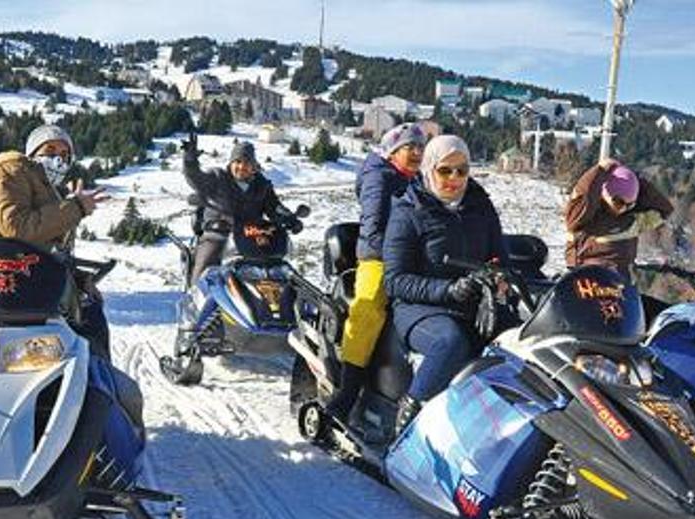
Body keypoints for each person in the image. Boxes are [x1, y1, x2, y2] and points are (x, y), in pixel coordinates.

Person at [382, 135, 507, 434]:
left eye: (462, 170)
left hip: (474, 304)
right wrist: (448, 290)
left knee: (518, 341)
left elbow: (499, 257)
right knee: (451, 341)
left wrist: (498, 278)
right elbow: (395, 280)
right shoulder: (408, 211)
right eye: (445, 170)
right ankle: (409, 414)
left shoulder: (481, 206)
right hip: (419, 309)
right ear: (428, 168)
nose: (454, 178)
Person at [0, 123, 112, 355]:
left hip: (23, 281)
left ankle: (94, 386)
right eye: (50, 150)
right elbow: (17, 230)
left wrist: (78, 279)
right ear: (32, 153)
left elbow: (48, 251)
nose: (58, 159)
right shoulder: (10, 168)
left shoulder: (51, 193)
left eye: (64, 155)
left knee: (90, 316)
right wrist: (76, 207)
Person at [324, 122, 427, 421]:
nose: (417, 153)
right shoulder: (378, 178)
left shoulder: (417, 179)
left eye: (421, 147)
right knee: (368, 310)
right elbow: (374, 223)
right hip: (378, 256)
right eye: (411, 147)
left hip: (411, 257)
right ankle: (348, 392)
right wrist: (396, 257)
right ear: (394, 151)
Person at [180, 132, 301, 285]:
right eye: (237, 162)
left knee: (278, 270)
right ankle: (196, 297)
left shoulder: (261, 185)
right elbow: (195, 179)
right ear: (231, 163)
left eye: (247, 162)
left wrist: (289, 218)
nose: (241, 167)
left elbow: (274, 207)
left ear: (253, 166)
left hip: (250, 238)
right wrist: (190, 160)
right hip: (219, 235)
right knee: (204, 272)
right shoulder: (217, 178)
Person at [564, 158, 673, 282]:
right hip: (586, 287)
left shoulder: (633, 222)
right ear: (604, 194)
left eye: (629, 204)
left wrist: (636, 181)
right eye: (618, 202)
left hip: (621, 290)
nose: (623, 209)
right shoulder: (583, 218)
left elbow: (664, 210)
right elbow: (584, 196)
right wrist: (600, 171)